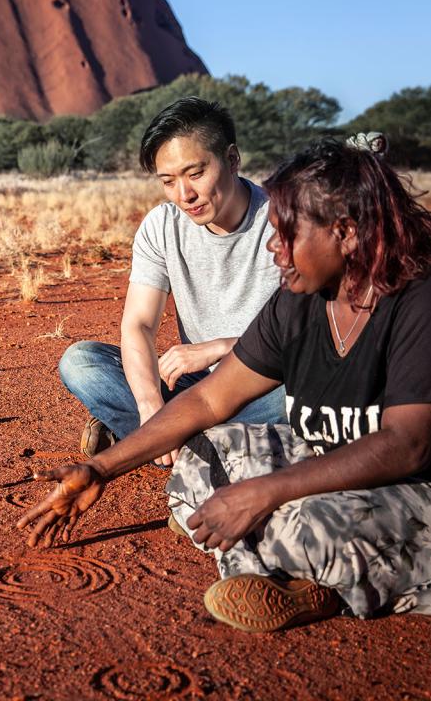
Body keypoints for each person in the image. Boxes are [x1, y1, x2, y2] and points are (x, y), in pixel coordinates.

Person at [18, 138, 431, 632]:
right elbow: (210, 397)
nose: (274, 247)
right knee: (201, 460)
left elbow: (408, 446)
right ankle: (304, 568)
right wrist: (101, 469)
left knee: (304, 521)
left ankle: (314, 578)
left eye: (288, 233)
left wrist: (262, 493)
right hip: (368, 480)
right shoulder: (303, 299)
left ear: (346, 232)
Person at [58, 97, 286, 466]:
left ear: (231, 159)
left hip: (262, 382)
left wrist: (223, 347)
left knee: (297, 393)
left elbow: (314, 339)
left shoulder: (284, 222)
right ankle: (200, 441)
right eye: (168, 181)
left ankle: (162, 441)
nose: (184, 195)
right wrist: (150, 405)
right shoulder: (162, 226)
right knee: (81, 362)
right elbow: (139, 324)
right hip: (195, 386)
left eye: (195, 174)